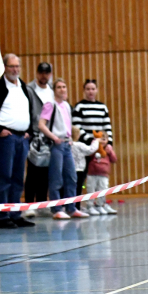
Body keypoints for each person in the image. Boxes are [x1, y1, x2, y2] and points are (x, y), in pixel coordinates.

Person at [0, 54, 35, 229]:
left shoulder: (23, 85)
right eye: (11, 66)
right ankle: (3, 216)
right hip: (7, 138)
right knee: (5, 176)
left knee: (18, 177)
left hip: (22, 137)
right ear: (5, 67)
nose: (15, 70)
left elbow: (29, 110)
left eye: (17, 66)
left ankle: (16, 213)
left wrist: (29, 131)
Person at [37, 79, 89, 220]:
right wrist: (54, 137)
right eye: (59, 87)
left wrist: (71, 138)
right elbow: (41, 124)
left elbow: (68, 125)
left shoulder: (66, 105)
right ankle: (56, 208)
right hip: (57, 145)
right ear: (54, 90)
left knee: (71, 177)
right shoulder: (50, 104)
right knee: (56, 178)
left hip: (67, 144)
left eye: (64, 87)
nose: (62, 89)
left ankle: (71, 208)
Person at [72, 79, 113, 210]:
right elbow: (77, 126)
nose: (91, 91)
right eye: (88, 89)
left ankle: (101, 203)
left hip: (101, 148)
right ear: (84, 91)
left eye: (93, 89)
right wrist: (91, 141)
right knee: (83, 177)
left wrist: (108, 143)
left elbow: (107, 126)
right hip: (85, 148)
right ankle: (79, 205)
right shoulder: (79, 107)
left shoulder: (102, 107)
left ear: (96, 90)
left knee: (101, 177)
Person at [25, 62, 55, 217]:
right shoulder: (29, 90)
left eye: (47, 73)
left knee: (46, 171)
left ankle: (42, 203)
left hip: (50, 135)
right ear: (37, 73)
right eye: (41, 72)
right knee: (33, 171)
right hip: (35, 134)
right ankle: (29, 204)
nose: (44, 76)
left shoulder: (52, 91)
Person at [86, 137, 117, 215]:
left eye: (104, 139)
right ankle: (90, 206)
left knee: (103, 189)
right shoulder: (93, 148)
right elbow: (88, 155)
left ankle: (100, 205)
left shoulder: (108, 149)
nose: (102, 141)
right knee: (91, 190)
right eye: (100, 139)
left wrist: (110, 151)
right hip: (92, 174)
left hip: (103, 174)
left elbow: (114, 159)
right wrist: (94, 146)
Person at [70, 125, 100, 208]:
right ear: (78, 135)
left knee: (70, 188)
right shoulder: (80, 145)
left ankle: (69, 206)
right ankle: (77, 206)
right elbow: (90, 149)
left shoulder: (68, 145)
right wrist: (96, 141)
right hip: (79, 170)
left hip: (69, 170)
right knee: (78, 188)